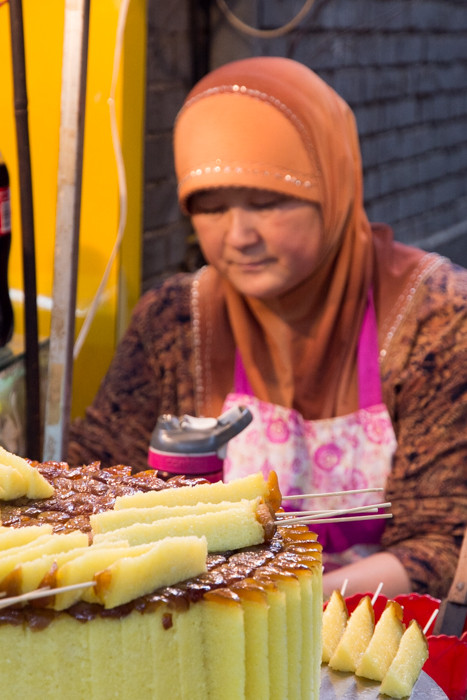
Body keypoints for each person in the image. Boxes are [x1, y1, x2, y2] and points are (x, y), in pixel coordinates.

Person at [68, 56, 467, 601]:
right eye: (210, 209)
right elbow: (92, 487)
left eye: (267, 202)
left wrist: (277, 604)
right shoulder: (175, 323)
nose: (238, 236)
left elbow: (443, 546)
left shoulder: (437, 321)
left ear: (334, 184)